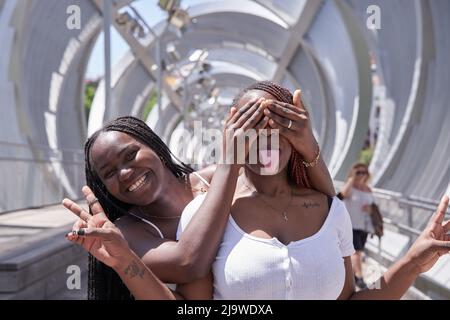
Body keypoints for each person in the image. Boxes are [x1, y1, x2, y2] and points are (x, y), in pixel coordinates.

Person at [65, 81, 450, 300]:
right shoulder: (201, 218)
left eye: (278, 123)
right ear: (232, 136)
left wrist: (414, 260)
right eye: (251, 126)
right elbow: (188, 278)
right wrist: (123, 260)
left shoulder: (328, 209)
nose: (266, 136)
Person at [62, 84, 335, 299]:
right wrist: (230, 161)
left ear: (154, 146)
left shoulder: (219, 177)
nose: (125, 172)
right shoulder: (128, 232)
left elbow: (325, 204)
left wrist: (306, 143)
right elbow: (189, 263)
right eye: (109, 173)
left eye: (131, 155)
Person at [340, 163, 374, 289]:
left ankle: (352, 276)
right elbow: (341, 195)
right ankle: (360, 278)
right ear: (353, 173)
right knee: (356, 253)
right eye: (358, 172)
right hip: (350, 225)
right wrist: (351, 179)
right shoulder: (350, 187)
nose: (361, 175)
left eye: (363, 172)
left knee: (357, 252)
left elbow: (373, 208)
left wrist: (370, 209)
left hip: (364, 226)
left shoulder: (368, 189)